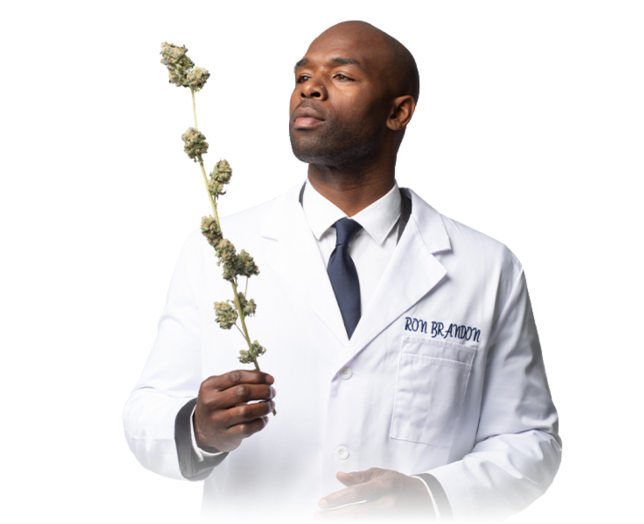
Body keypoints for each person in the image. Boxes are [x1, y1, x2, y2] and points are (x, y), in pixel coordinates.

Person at [122, 20, 562, 522]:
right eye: (301, 77)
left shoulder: (486, 266)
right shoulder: (216, 246)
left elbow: (531, 442)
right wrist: (199, 429)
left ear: (399, 111)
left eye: (342, 76)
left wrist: (435, 495)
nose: (309, 88)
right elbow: (145, 413)